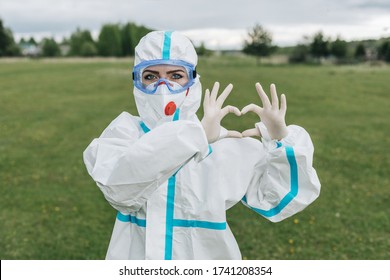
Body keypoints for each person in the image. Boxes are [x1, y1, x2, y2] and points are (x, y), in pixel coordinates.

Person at [83, 30, 321, 260]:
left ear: (193, 81)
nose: (163, 87)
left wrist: (282, 140)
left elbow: (279, 200)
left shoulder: (224, 146)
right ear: (137, 82)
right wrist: (195, 136)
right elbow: (119, 191)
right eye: (151, 77)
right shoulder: (124, 133)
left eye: (176, 76)